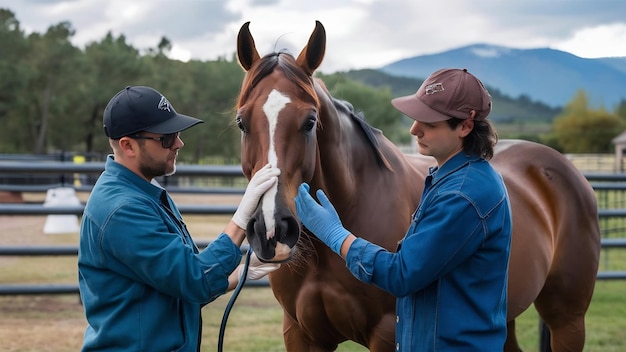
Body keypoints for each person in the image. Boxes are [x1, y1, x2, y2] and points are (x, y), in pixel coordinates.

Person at [295, 68, 512, 351]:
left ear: (465, 127)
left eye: (430, 123)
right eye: (415, 118)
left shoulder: (463, 195)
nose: (414, 129)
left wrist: (337, 235)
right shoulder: (449, 178)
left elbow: (403, 274)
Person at [78, 85, 280, 351]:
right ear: (128, 146)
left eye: (177, 133)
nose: (178, 143)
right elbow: (196, 279)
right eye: (166, 137)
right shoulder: (123, 209)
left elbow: (178, 285)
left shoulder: (145, 192)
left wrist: (239, 273)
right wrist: (242, 217)